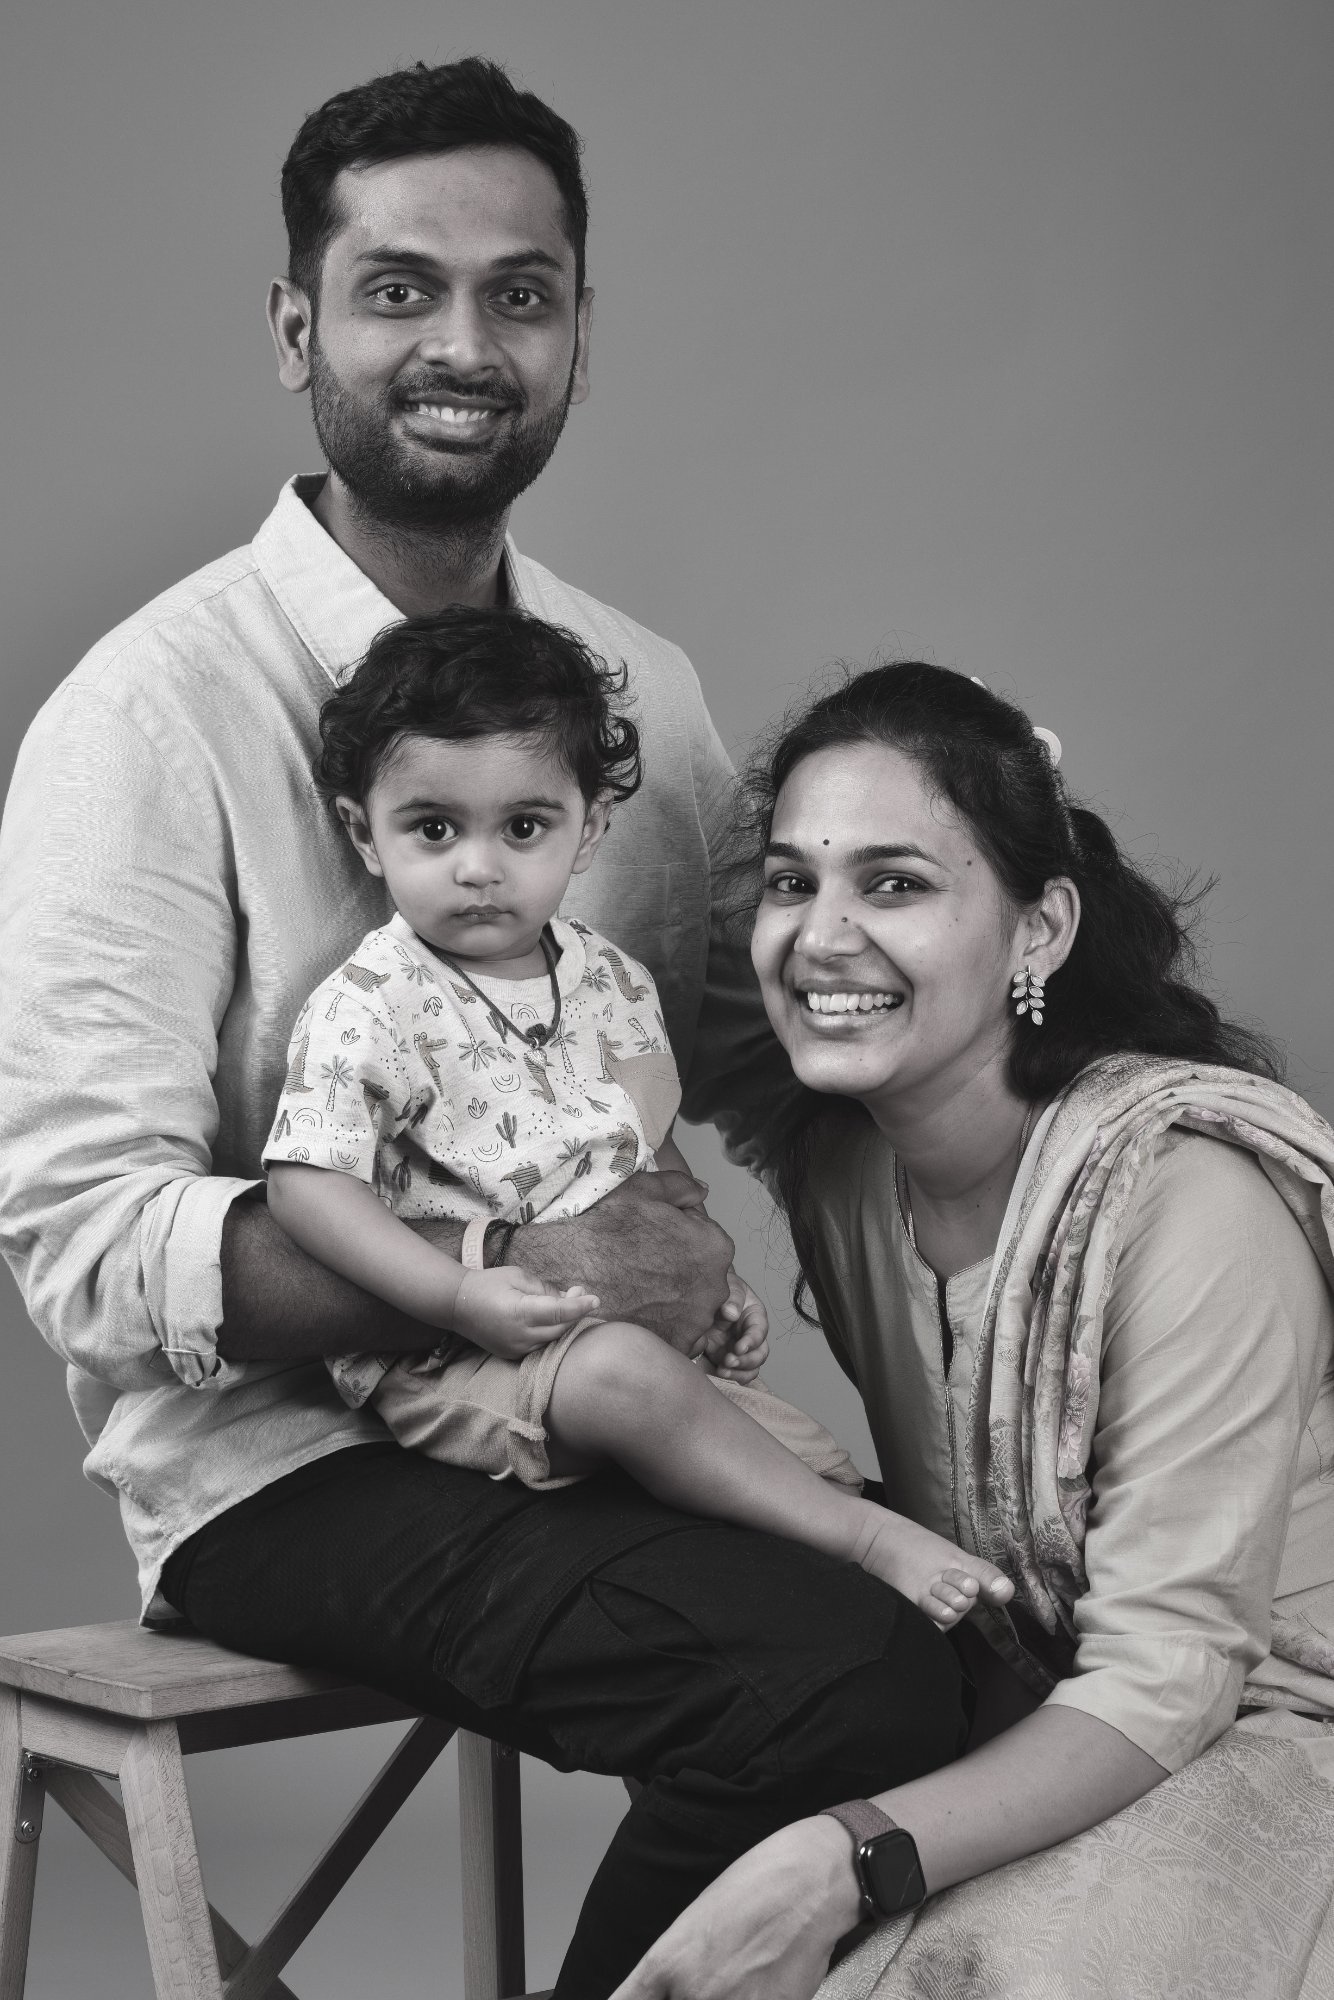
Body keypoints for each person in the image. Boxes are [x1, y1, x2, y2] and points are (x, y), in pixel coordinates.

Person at [0, 64, 972, 1999]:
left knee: (1001, 1657)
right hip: (280, 1473)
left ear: (577, 337)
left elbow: (801, 1085)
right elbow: (86, 1253)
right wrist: (493, 1277)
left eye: (519, 294)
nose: (462, 344)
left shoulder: (640, 698)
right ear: (299, 329)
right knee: (819, 1685)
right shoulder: (147, 718)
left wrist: (1077, 1089)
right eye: (397, 290)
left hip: (622, 1410)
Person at [613, 662, 1334, 2000]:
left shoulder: (1187, 1197)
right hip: (1040, 1710)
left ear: (1037, 930)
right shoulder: (842, 1163)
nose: (820, 937)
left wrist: (848, 1857)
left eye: (893, 884)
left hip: (1275, 1727)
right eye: (790, 882)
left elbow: (1169, 1677)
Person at [264, 603, 1015, 1627]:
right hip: (460, 1361)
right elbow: (307, 1183)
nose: (478, 865)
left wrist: (709, 1281)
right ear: (365, 830)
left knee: (811, 1462)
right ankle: (869, 1540)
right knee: (629, 1383)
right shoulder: (371, 1001)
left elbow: (640, 1156)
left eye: (522, 826)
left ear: (589, 826)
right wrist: (453, 1296)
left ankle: (855, 1533)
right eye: (433, 828)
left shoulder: (609, 979)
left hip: (631, 1343)